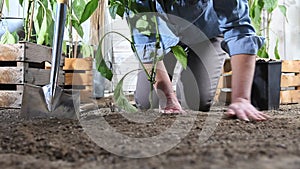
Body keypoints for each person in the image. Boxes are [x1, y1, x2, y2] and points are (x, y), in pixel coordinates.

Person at [128, 0, 270, 121]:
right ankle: (170, 95)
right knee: (148, 102)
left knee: (196, 102)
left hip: (206, 33)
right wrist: (168, 95)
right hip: (162, 38)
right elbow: (144, 38)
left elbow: (239, 29)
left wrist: (241, 98)